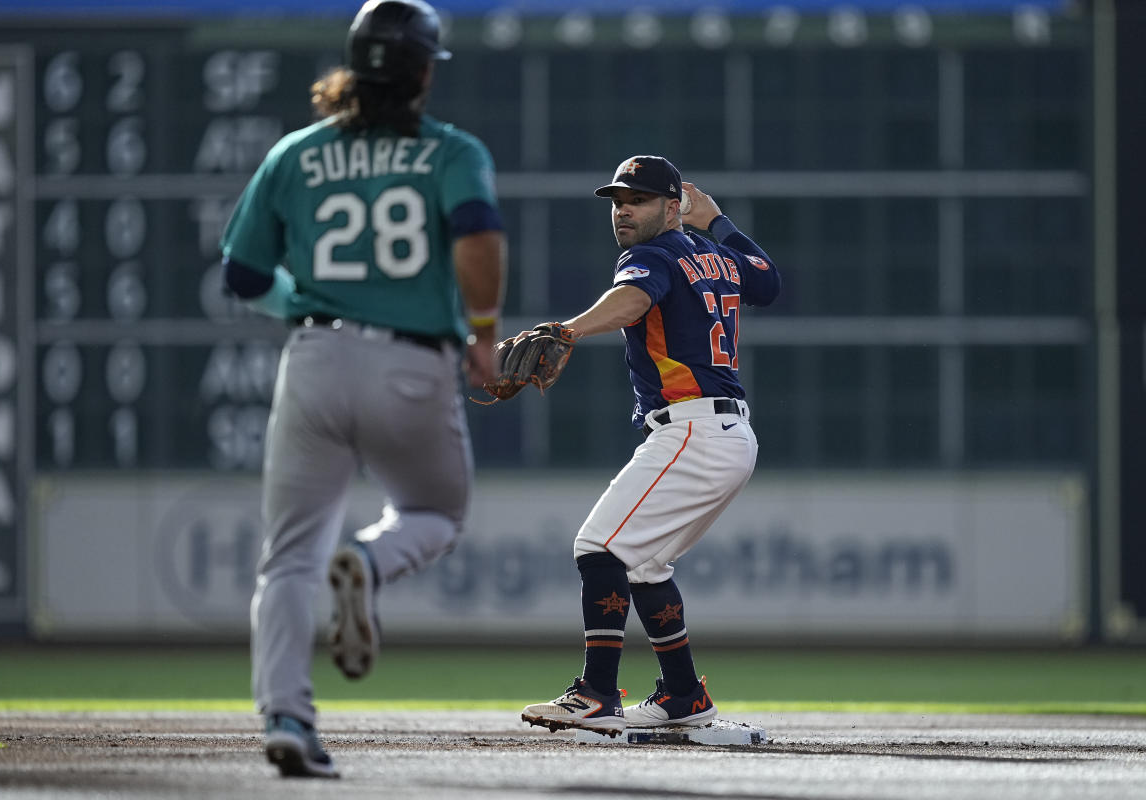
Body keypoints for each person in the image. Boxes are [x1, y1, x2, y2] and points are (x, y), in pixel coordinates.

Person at [219, 0, 506, 777]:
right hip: (411, 364)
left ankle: (286, 717)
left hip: (313, 358)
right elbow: (477, 235)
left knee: (286, 559)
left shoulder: (296, 151)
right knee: (436, 513)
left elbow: (242, 272)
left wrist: (311, 307)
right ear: (421, 71)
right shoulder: (450, 151)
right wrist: (483, 335)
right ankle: (371, 565)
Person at [518, 155, 780, 735]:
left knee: (598, 549)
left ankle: (596, 693)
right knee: (646, 566)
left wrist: (569, 330)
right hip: (728, 433)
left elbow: (633, 300)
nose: (622, 211)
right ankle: (684, 697)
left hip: (693, 429)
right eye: (616, 201)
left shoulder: (651, 255)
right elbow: (767, 281)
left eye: (636, 200)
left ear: (670, 206)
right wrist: (717, 222)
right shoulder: (716, 256)